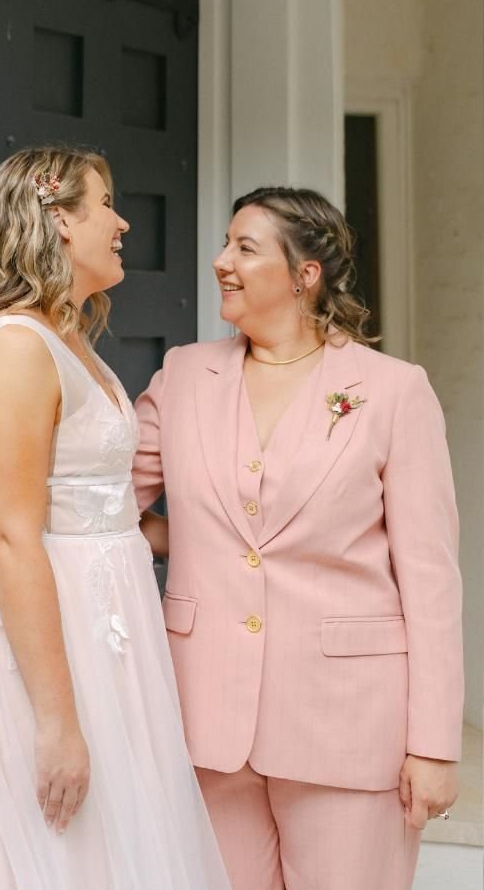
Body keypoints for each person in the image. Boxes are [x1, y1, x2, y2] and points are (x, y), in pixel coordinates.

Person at [0, 145, 230, 889]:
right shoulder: (16, 349)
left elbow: (99, 508)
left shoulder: (72, 339)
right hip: (50, 640)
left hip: (110, 633)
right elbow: (14, 536)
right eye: (105, 203)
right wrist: (56, 720)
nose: (122, 222)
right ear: (57, 220)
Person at [133, 186, 463, 890]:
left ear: (304, 275)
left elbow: (430, 580)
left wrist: (434, 745)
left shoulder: (393, 392)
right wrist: (181, 540)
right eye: (225, 243)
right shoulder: (186, 376)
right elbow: (107, 506)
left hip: (347, 726)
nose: (221, 260)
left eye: (245, 248)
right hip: (208, 724)